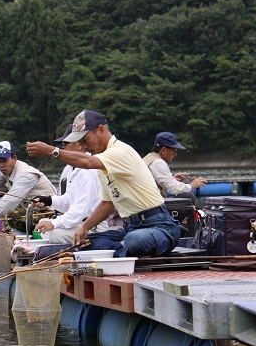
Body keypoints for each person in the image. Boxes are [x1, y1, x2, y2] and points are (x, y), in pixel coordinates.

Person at [26, 109, 180, 257]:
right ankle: (121, 248)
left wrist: (52, 151)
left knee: (134, 241)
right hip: (131, 227)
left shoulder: (119, 152)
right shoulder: (103, 164)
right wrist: (84, 228)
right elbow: (107, 203)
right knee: (85, 242)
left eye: (85, 140)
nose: (84, 146)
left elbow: (88, 162)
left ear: (100, 130)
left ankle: (121, 248)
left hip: (159, 226)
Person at [33, 125, 109, 244]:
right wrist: (49, 201)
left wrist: (54, 223)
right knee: (42, 225)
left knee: (56, 235)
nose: (63, 149)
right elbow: (69, 200)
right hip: (79, 222)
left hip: (93, 227)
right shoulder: (72, 168)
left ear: (79, 145)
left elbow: (79, 210)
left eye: (66, 144)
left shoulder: (88, 171)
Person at [0, 141, 57, 223]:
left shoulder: (26, 174)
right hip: (32, 211)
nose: (1, 165)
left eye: (4, 161)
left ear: (14, 158)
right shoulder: (6, 172)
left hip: (49, 214)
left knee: (8, 213)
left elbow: (11, 199)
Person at [143, 132, 207, 204]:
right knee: (188, 196)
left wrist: (173, 179)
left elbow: (161, 182)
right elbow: (172, 188)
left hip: (146, 203)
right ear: (163, 150)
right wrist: (191, 185)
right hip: (151, 207)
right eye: (174, 150)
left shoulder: (149, 158)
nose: (175, 154)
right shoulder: (158, 163)